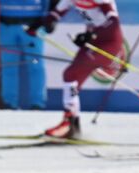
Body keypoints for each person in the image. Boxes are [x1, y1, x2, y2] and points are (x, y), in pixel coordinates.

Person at [27, 0, 123, 139]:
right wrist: (39, 24)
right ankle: (72, 125)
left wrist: (93, 35)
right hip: (93, 40)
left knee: (71, 74)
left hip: (108, 42)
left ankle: (70, 124)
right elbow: (56, 14)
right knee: (72, 78)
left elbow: (113, 22)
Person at [0, 0, 49, 111]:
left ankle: (37, 103)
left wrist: (46, 20)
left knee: (36, 65)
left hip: (33, 25)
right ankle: (9, 103)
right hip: (6, 24)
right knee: (9, 65)